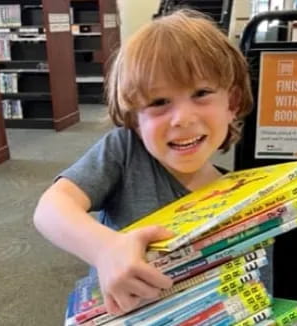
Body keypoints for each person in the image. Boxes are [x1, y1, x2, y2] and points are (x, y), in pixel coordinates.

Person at [33, 9, 269, 317]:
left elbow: (254, 294)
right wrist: (105, 249)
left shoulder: (247, 199)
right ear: (134, 117)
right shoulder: (127, 151)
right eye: (159, 102)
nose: (183, 118)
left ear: (232, 103)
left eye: (201, 93)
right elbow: (51, 207)